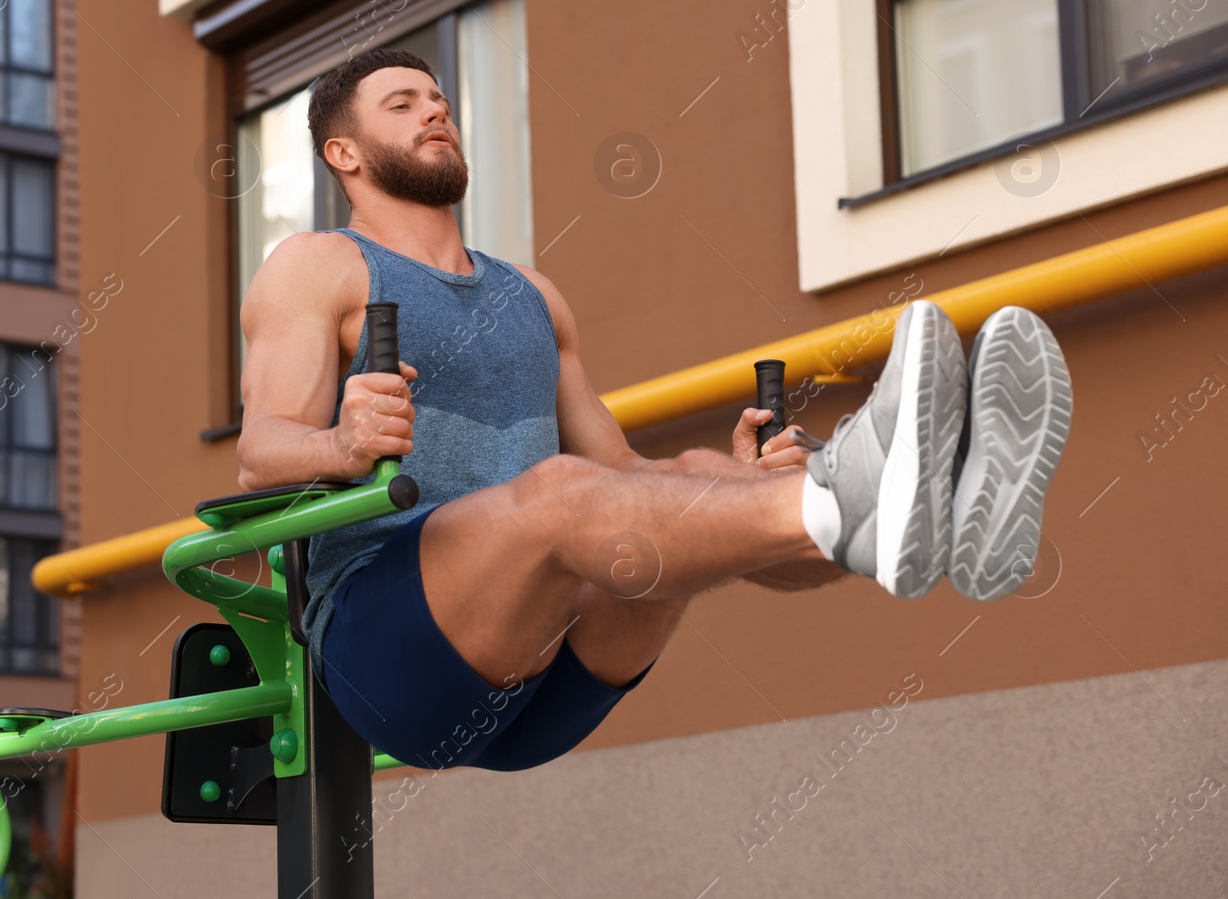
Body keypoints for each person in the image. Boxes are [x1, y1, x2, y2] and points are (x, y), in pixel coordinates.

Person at [235, 48, 1073, 773]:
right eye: (405, 104)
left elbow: (625, 477)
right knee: (563, 494)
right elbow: (258, 451)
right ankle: (860, 487)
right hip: (390, 651)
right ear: (342, 151)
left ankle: (926, 515)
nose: (437, 113)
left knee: (698, 475)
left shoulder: (534, 296)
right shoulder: (317, 266)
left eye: (442, 102)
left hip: (544, 682)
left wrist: (739, 489)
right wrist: (343, 442)